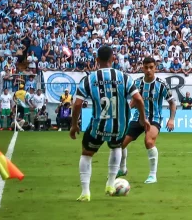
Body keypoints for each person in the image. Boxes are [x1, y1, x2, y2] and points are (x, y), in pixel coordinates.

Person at [69, 45, 148, 201]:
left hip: (98, 126)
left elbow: (77, 104)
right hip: (119, 126)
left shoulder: (89, 79)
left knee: (86, 154)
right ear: (113, 59)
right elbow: (138, 99)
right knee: (116, 147)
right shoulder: (124, 77)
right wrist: (142, 118)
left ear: (97, 60)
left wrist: (74, 124)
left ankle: (85, 192)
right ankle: (111, 184)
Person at [118, 56, 176, 184]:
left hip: (154, 118)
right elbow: (134, 101)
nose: (149, 70)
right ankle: (122, 169)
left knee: (148, 141)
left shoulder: (161, 84)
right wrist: (125, 110)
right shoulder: (137, 83)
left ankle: (152, 175)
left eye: (151, 67)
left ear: (155, 68)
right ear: (142, 68)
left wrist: (171, 119)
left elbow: (172, 102)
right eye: (146, 67)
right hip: (138, 118)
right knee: (120, 143)